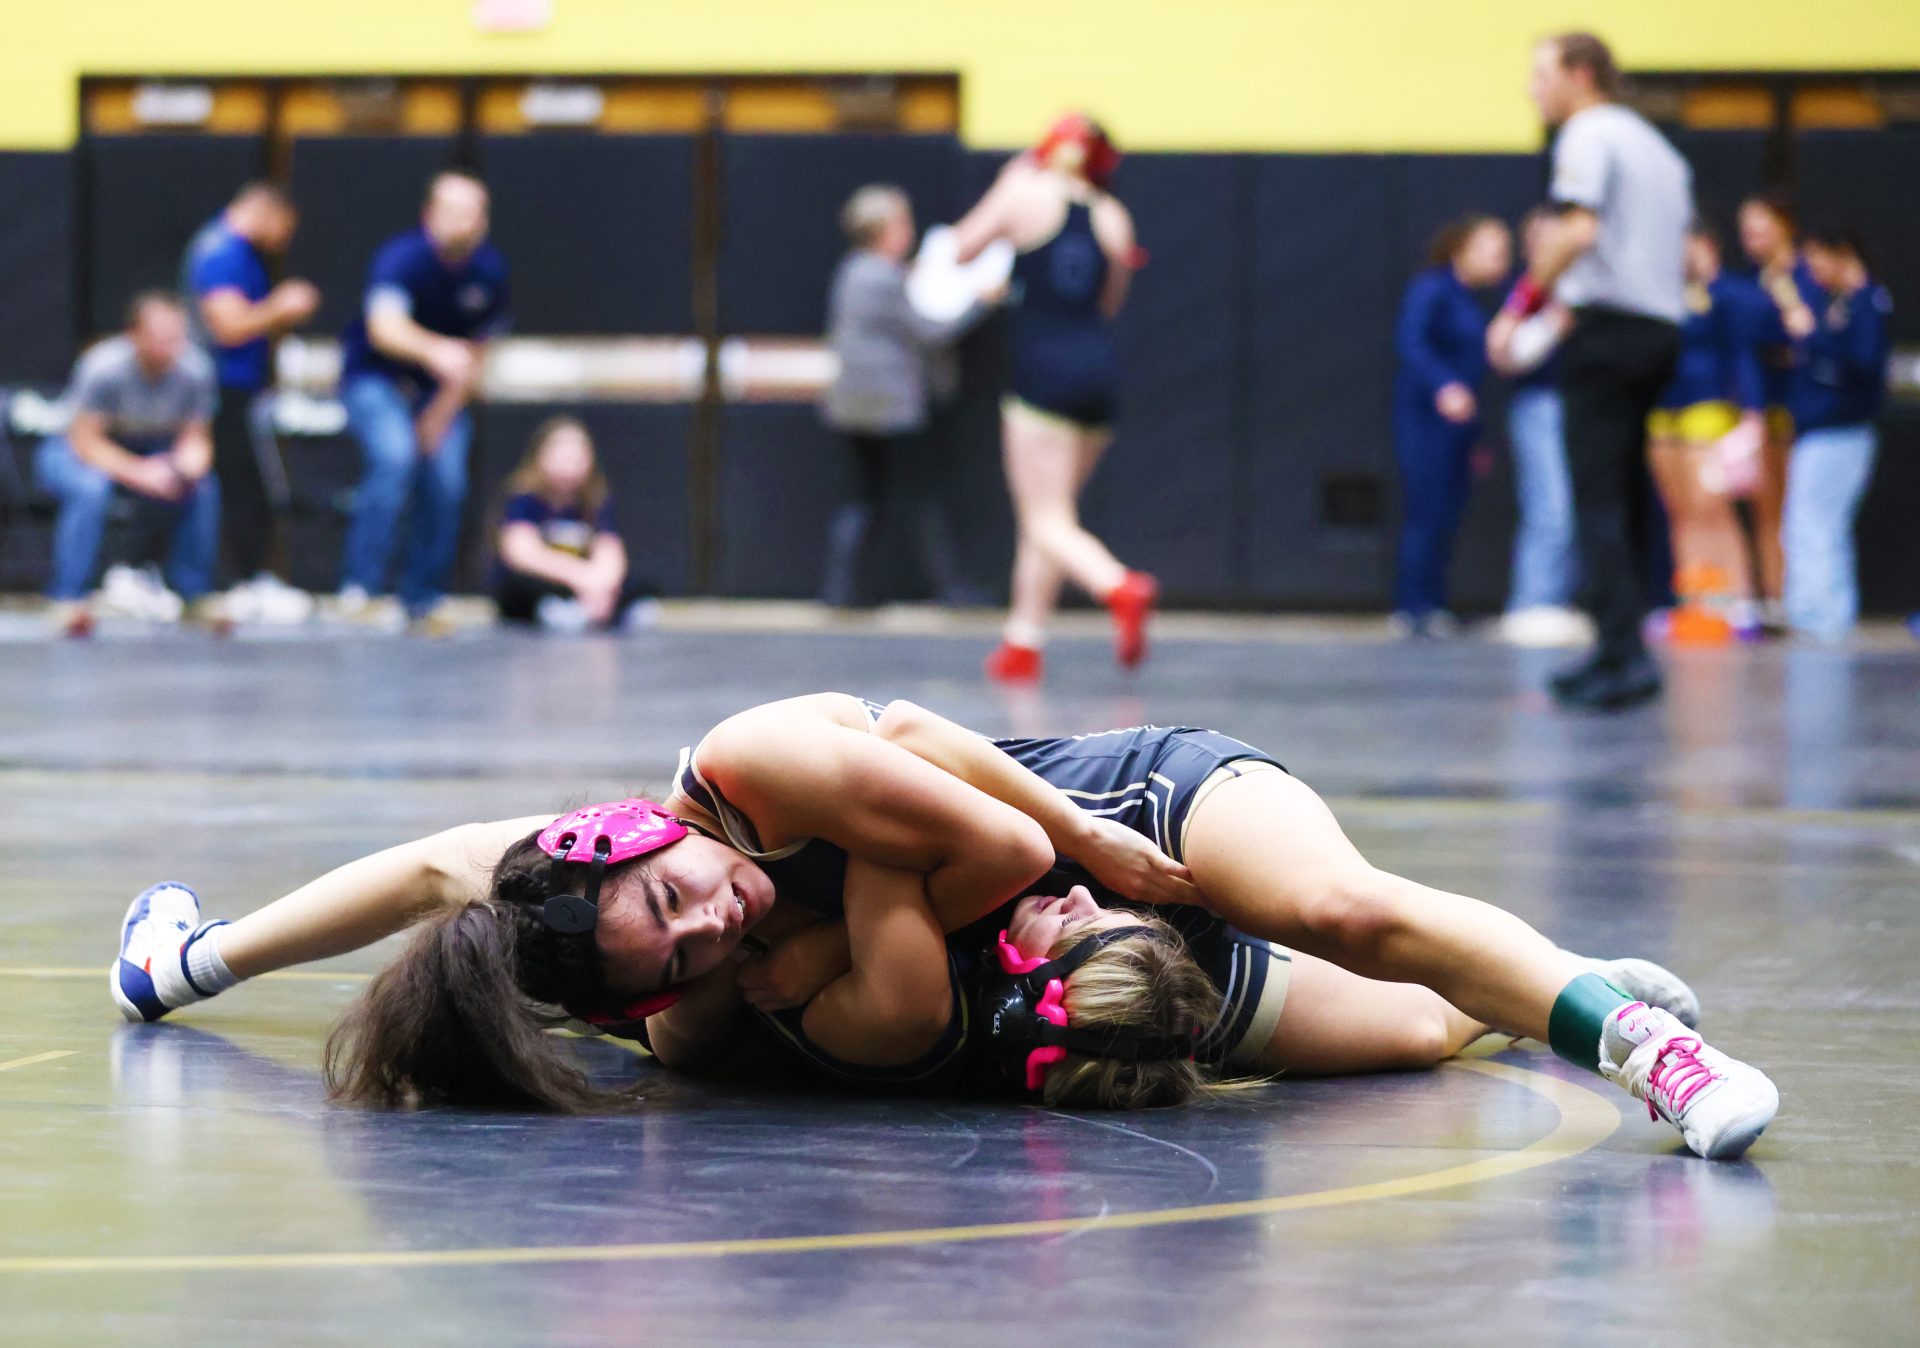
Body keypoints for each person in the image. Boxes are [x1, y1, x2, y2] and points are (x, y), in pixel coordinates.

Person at [114, 693, 1772, 1158]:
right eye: (678, 955)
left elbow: (988, 822)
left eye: (677, 894)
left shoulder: (746, 775)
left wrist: (195, 959)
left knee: (1339, 906)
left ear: (630, 827)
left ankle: (1646, 1046)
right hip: (1042, 947)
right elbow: (439, 900)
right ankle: (1547, 983)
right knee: (1414, 1032)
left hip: (1111, 808)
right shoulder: (673, 984)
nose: (710, 922)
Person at [1492, 32, 1691, 712]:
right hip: (1659, 330)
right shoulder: (1657, 148)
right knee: (1627, 497)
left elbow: (1576, 231)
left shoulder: (1588, 133)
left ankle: (1623, 656)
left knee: (1595, 498)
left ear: (1581, 75)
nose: (1533, 90)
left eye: (1542, 75)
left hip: (1607, 332)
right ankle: (1619, 650)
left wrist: (1519, 308)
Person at [952, 115, 1158, 683]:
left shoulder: (1025, 190)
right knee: (1052, 515)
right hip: (1096, 373)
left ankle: (1118, 584)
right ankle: (1023, 641)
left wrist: (1005, 188)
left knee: (1044, 519)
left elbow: (961, 247)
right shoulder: (1113, 215)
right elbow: (1108, 302)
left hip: (1042, 372)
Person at [332, 171, 510, 632]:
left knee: (447, 480)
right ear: (430, 214)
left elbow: (477, 354)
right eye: (453, 211)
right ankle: (362, 588)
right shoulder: (402, 259)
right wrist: (435, 350)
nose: (463, 221)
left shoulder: (490, 271)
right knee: (395, 458)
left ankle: (423, 595)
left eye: (473, 212)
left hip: (440, 392)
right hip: (377, 380)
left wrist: (440, 413)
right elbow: (384, 328)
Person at [819, 185, 991, 609]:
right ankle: (950, 587)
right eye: (902, 223)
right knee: (924, 498)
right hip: (891, 407)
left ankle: (842, 589)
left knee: (863, 498)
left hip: (852, 406)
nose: (909, 232)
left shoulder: (852, 270)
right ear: (884, 229)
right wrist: (979, 302)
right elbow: (929, 332)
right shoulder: (885, 277)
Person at [34, 293, 221, 634]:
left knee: (203, 487)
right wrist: (141, 473)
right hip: (75, 449)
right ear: (134, 335)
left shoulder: (195, 370)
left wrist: (185, 467)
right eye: (159, 337)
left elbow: (197, 438)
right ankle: (68, 597)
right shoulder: (104, 367)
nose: (169, 347)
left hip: (151, 448)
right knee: (90, 489)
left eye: (176, 337)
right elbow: (85, 442)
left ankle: (192, 594)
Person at [180, 181, 321, 625]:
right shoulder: (222, 251)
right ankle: (249, 581)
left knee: (246, 483)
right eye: (284, 230)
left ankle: (252, 578)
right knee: (242, 483)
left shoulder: (236, 252)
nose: (283, 242)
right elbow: (228, 326)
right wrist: (282, 306)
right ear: (266, 213)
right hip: (222, 387)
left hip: (239, 385)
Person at [1389, 215, 1512, 637]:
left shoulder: (1479, 299)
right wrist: (1444, 385)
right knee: (1425, 510)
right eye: (1493, 250)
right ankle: (1412, 607)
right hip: (1427, 419)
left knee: (1448, 513)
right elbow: (1411, 341)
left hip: (1461, 427)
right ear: (1462, 248)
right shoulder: (1432, 289)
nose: (1501, 260)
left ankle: (1434, 603)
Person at [1644, 223, 1768, 638]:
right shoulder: (1666, 294)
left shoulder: (1729, 294)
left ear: (1707, 244)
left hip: (1709, 408)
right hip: (1665, 409)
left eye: (1688, 245)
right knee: (1680, 512)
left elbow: (1743, 355)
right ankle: (1697, 602)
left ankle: (1738, 599)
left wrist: (1752, 411)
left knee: (1710, 508)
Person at [1780, 227, 1892, 642]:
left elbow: (1862, 364)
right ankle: (1817, 612)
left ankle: (1821, 615)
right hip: (1821, 428)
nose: (1813, 270)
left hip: (1841, 431)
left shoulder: (1867, 303)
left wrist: (1813, 337)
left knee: (1815, 522)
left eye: (1818, 259)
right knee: (1809, 521)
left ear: (1841, 254)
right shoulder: (1836, 302)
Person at [1489, 208, 1586, 647]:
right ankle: (1534, 601)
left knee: (1575, 507)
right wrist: (1551, 326)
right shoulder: (1526, 293)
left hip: (1581, 403)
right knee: (1550, 505)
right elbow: (1505, 353)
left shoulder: (1580, 289)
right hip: (1541, 404)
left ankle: (1560, 599)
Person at [490, 416, 655, 632]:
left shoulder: (594, 501)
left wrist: (600, 584)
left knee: (639, 583)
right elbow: (521, 553)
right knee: (520, 587)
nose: (568, 467)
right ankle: (563, 610)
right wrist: (580, 577)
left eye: (576, 459)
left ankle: (598, 609)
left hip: (585, 586)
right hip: (551, 580)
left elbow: (610, 551)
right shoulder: (525, 499)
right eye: (561, 458)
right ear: (540, 457)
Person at [1738, 192, 1815, 622]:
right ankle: (1774, 598)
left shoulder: (1806, 275)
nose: (1751, 239)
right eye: (1746, 231)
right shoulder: (1753, 280)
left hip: (1805, 406)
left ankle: (1803, 600)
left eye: (1760, 228)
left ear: (1784, 226)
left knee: (1799, 508)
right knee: (1767, 509)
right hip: (1767, 404)